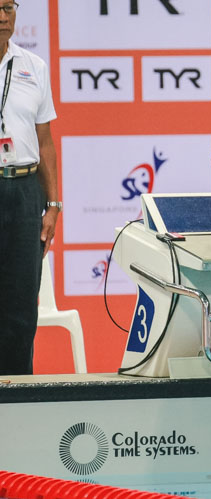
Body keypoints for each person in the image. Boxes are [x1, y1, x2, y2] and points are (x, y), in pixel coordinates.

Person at [0, 0, 60, 375]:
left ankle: (17, 401)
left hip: (24, 193)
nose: (3, 16)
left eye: (9, 7)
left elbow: (46, 140)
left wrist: (53, 203)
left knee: (21, 308)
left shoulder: (33, 66)